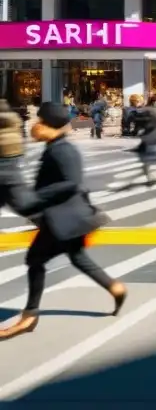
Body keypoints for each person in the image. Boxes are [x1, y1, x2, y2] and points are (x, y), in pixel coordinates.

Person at [0, 102, 127, 340]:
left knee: (35, 259)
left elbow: (72, 182)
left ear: (50, 126)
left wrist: (38, 197)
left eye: (39, 122)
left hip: (64, 219)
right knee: (77, 257)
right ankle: (115, 288)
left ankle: (29, 316)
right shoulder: (56, 147)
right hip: (71, 217)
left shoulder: (62, 150)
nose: (34, 127)